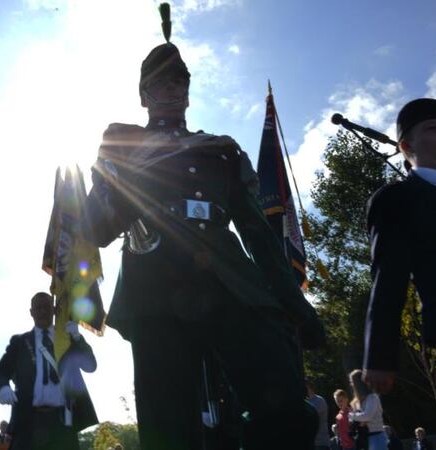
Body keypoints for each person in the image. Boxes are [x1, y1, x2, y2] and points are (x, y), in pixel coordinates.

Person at [83, 5, 323, 450]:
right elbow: (96, 228)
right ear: (144, 95)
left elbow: (259, 237)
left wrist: (295, 305)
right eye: (159, 84)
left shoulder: (221, 151)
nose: (171, 90)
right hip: (155, 288)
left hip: (229, 281)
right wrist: (128, 167)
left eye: (179, 83)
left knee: (285, 405)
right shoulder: (123, 142)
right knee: (169, 426)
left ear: (189, 94)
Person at [362, 97, 436, 450]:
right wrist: (380, 357)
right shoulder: (396, 200)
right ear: (406, 146)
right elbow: (389, 276)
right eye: (433, 128)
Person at [0, 292, 98, 450]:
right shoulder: (20, 343)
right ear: (31, 312)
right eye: (38, 308)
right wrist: (3, 387)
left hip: (62, 422)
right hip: (28, 422)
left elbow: (90, 366)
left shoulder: (67, 339)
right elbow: (0, 372)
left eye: (46, 307)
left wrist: (77, 338)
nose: (42, 311)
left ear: (54, 310)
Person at [348, 370, 387, 450]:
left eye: (352, 382)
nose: (351, 385)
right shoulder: (356, 401)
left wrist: (352, 415)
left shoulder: (372, 398)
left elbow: (367, 416)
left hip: (376, 436)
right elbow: (357, 419)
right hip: (363, 438)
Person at [308, 383, 330, 450]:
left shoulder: (319, 401)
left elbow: (309, 418)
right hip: (310, 443)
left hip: (321, 443)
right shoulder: (306, 402)